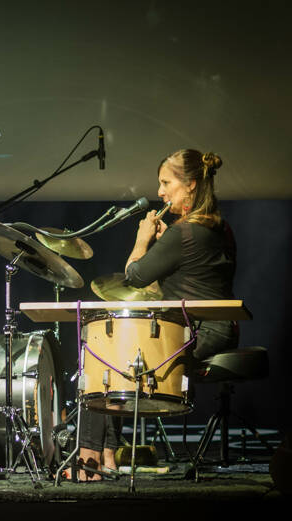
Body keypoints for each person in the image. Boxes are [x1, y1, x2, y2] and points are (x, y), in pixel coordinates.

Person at [77, 149, 237, 480]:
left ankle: (92, 458)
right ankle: (105, 453)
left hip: (197, 334)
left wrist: (143, 240)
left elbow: (134, 277)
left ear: (190, 185)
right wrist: (168, 251)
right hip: (220, 330)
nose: (161, 192)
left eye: (166, 183)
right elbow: (186, 282)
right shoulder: (220, 228)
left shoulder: (184, 232)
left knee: (102, 354)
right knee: (112, 356)